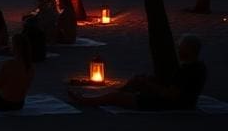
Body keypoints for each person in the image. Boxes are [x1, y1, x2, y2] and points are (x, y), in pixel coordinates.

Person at [70, 34, 207, 111]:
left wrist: (150, 85)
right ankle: (120, 92)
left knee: (115, 97)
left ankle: (87, 101)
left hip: (169, 104)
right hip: (178, 102)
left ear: (188, 50)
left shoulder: (188, 70)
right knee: (137, 81)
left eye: (181, 48)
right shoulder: (198, 66)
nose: (179, 51)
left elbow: (170, 95)